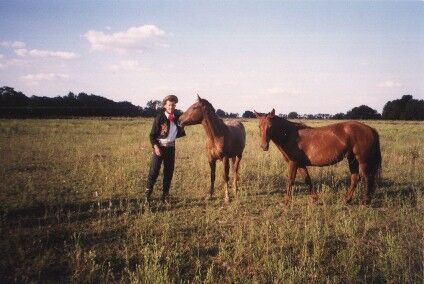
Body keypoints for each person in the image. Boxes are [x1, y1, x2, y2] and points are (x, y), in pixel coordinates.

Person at [145, 95, 185, 205]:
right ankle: (147, 196)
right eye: (169, 105)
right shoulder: (159, 117)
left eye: (173, 105)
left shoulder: (177, 117)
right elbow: (152, 135)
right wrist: (156, 147)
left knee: (168, 172)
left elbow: (186, 120)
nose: (171, 107)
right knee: (154, 171)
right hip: (159, 148)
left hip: (171, 148)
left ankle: (165, 195)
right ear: (165, 105)